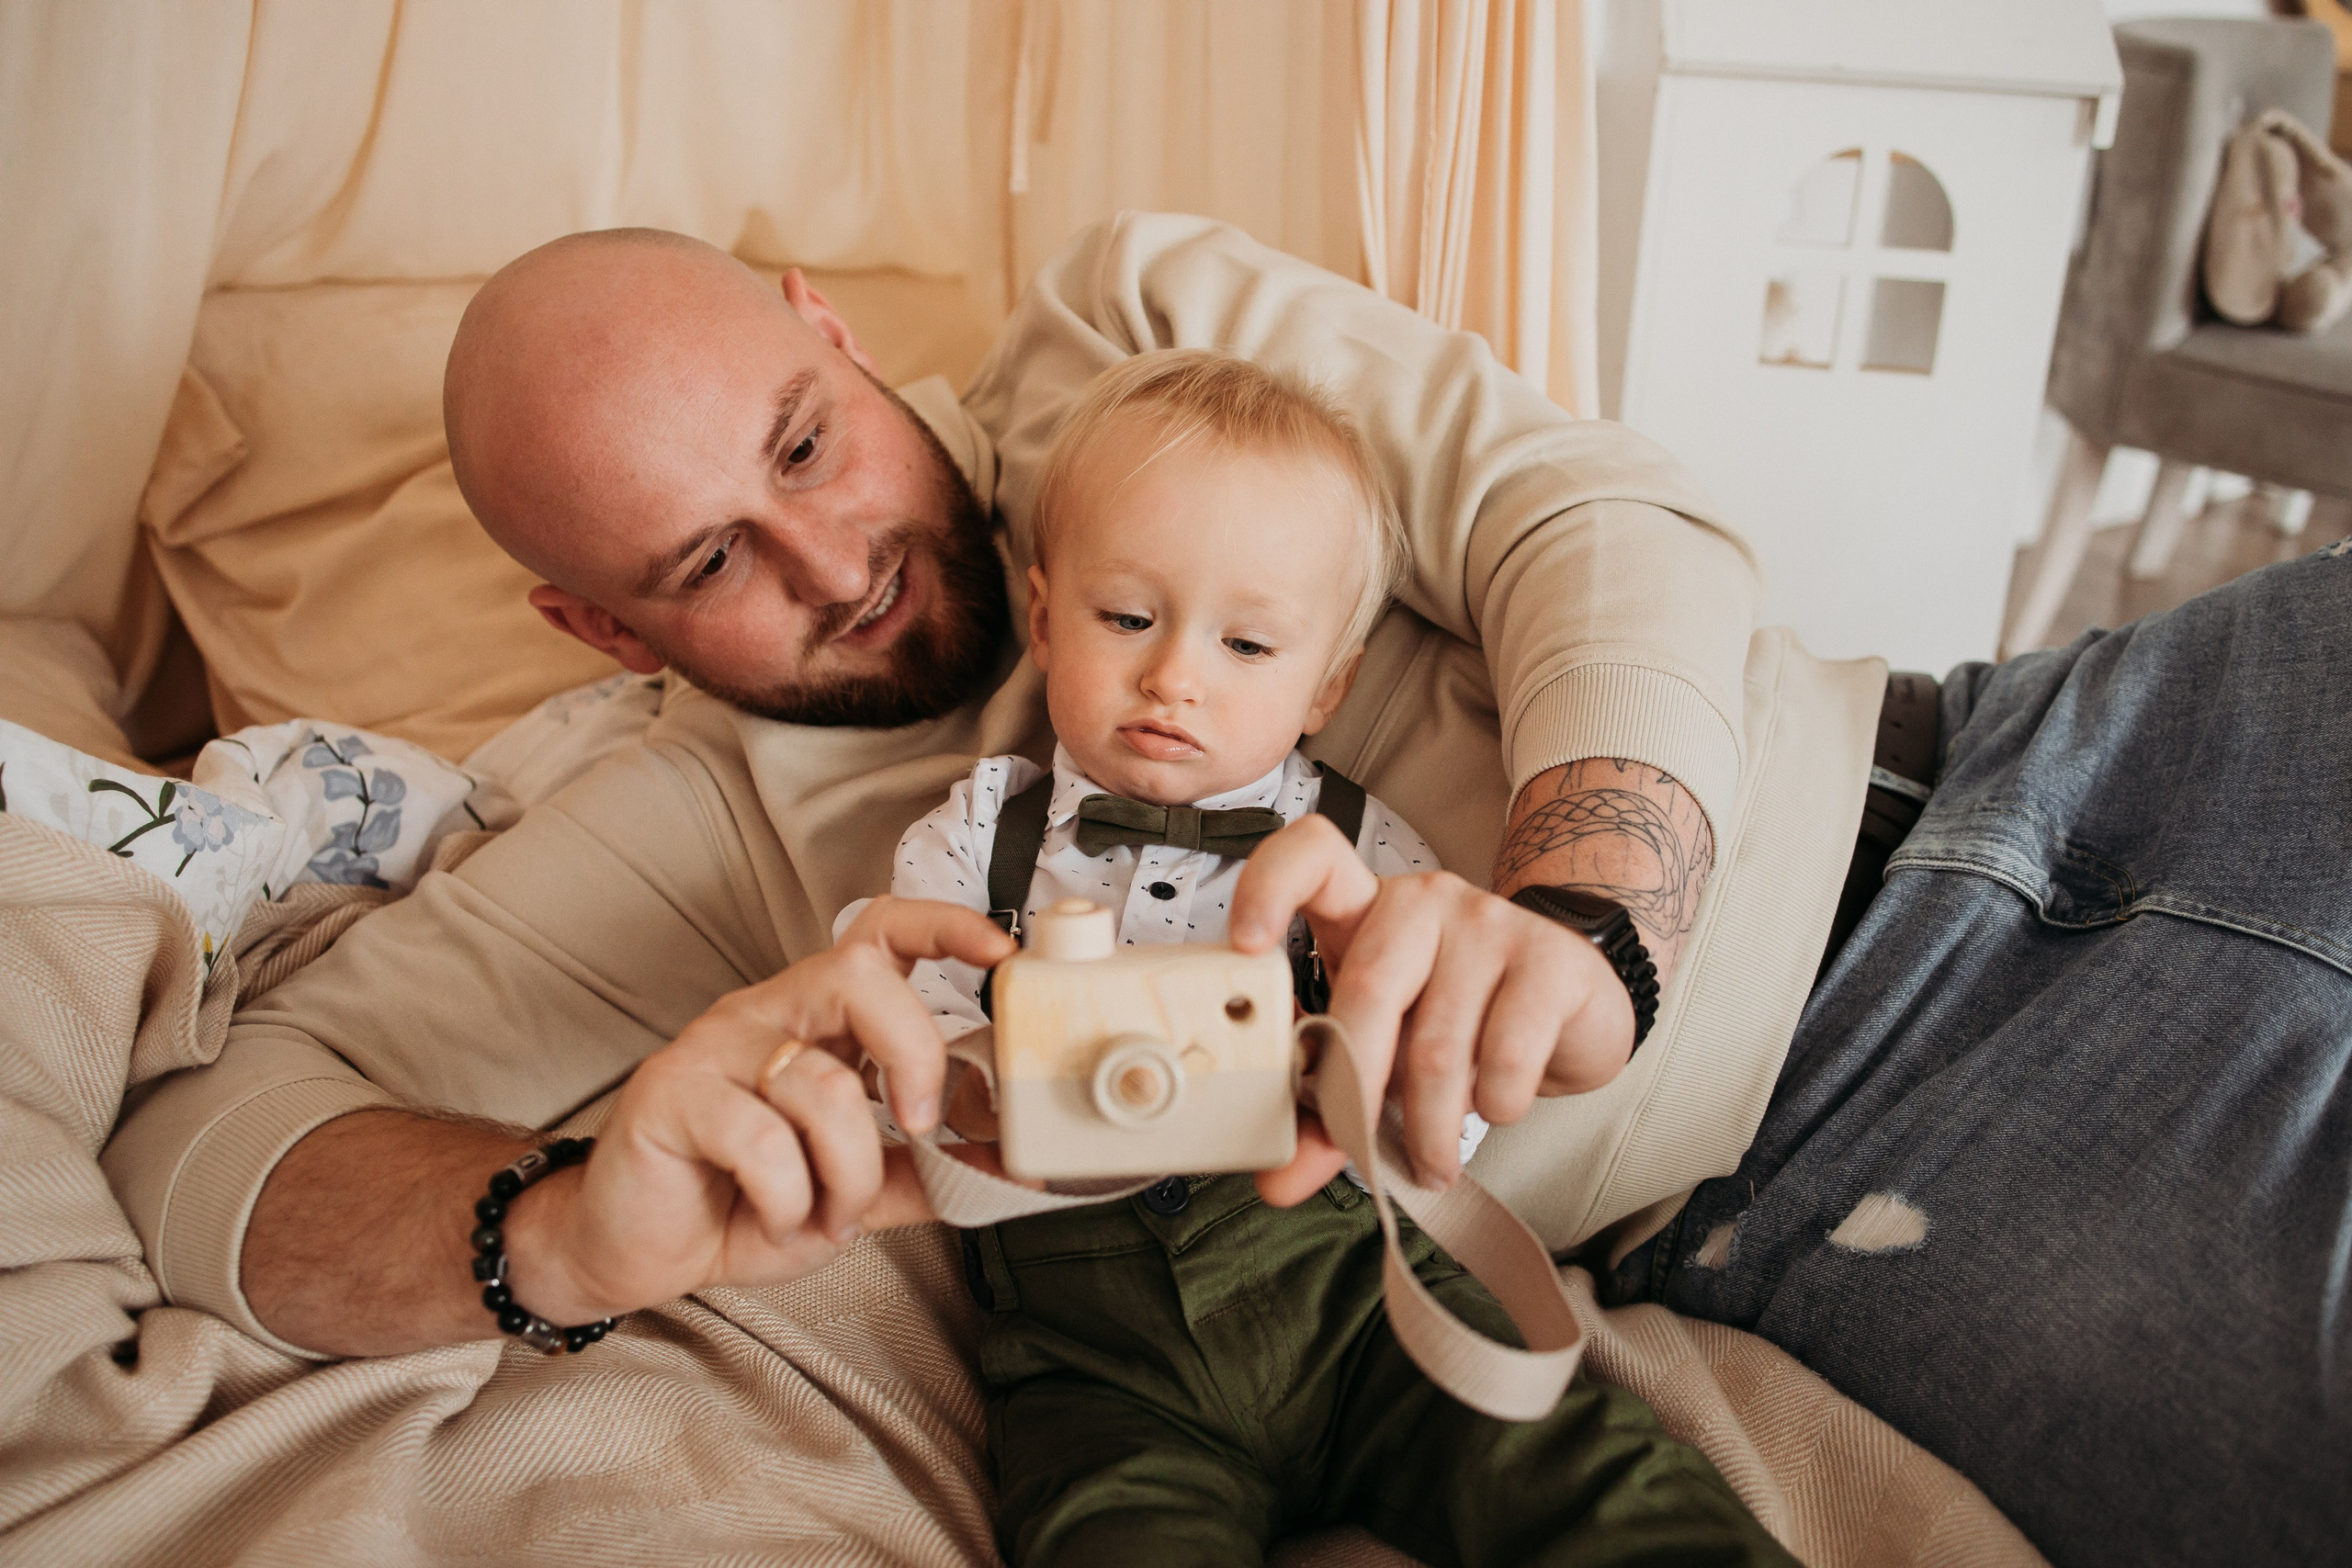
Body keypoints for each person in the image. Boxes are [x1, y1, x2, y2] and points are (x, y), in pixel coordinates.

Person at [859, 347, 1791, 1566]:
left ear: (1326, 685)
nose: (1175, 676)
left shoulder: (1356, 857)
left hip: (1361, 1307)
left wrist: (1357, 1073)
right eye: (1127, 618)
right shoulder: (980, 838)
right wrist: (1006, 1053)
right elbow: (902, 1072)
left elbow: (1443, 1100)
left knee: (1610, 1494)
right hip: (1100, 1365)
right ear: (1043, 617)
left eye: (1248, 647)